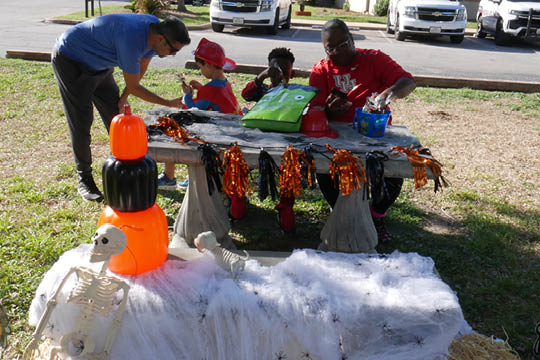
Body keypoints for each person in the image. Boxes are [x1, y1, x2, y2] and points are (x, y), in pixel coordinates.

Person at [52, 14, 191, 202]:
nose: (173, 55)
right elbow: (135, 86)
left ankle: (125, 172)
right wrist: (167, 102)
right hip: (71, 59)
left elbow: (139, 71)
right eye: (173, 50)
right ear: (161, 39)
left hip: (100, 65)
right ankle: (84, 178)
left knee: (115, 118)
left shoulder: (154, 33)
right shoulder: (131, 38)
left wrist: (124, 97)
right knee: (81, 121)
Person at [309, 18, 416, 243]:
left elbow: (407, 82)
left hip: (375, 133)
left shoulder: (374, 59)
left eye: (343, 44)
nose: (338, 51)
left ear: (352, 39)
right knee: (324, 167)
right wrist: (329, 112)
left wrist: (387, 94)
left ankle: (377, 215)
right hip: (336, 135)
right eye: (331, 48)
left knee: (393, 170)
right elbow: (314, 111)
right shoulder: (321, 71)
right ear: (324, 50)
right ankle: (339, 210)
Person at [158, 38, 241, 191]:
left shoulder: (209, 90)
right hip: (230, 129)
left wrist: (187, 95)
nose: (200, 71)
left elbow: (194, 110)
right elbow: (214, 100)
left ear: (208, 65)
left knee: (172, 128)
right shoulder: (224, 82)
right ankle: (191, 176)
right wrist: (201, 89)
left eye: (200, 66)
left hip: (217, 136)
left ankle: (169, 178)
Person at [241, 47, 297, 232]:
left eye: (284, 71)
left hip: (284, 142)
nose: (279, 75)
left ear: (292, 72)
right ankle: (237, 199)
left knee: (290, 170)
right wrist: (262, 76)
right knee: (238, 163)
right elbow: (246, 94)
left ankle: (286, 206)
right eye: (274, 70)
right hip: (258, 141)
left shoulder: (296, 94)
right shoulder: (264, 91)